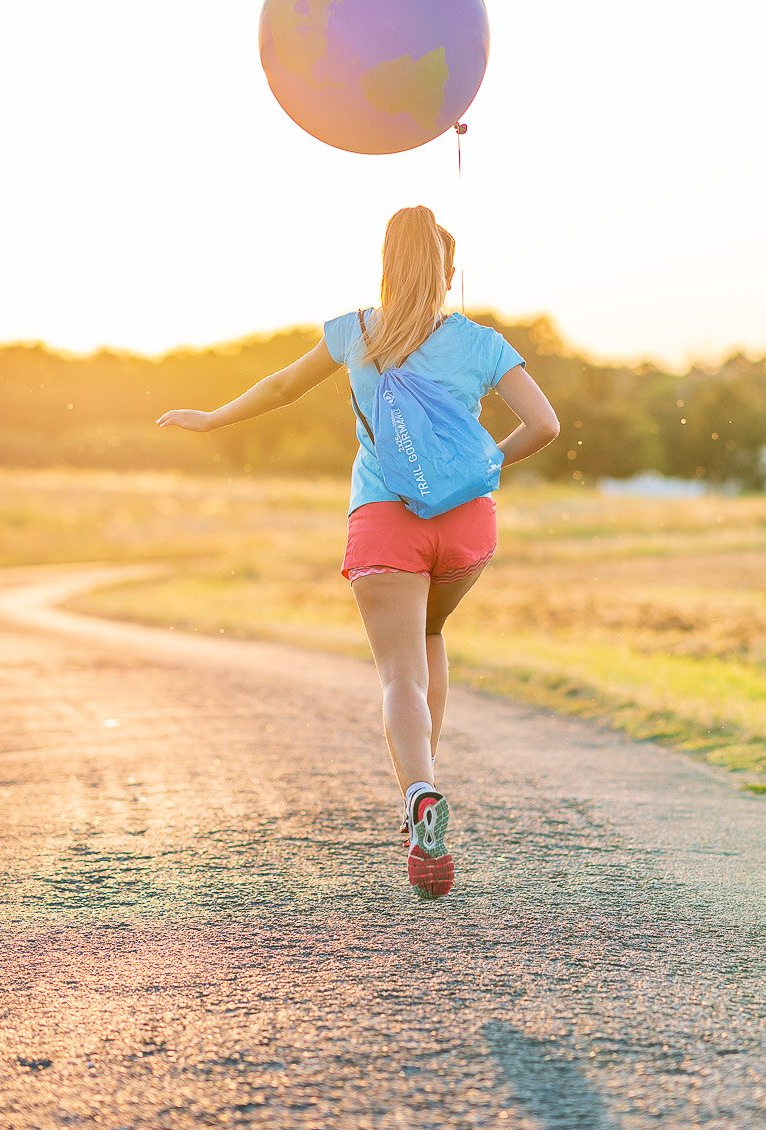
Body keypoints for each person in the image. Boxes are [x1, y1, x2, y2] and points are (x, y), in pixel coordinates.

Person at [157, 205, 560, 895]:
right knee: (432, 629)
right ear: (447, 271)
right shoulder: (483, 342)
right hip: (466, 526)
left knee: (398, 673)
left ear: (386, 265)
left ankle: (421, 794)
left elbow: (283, 386)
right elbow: (545, 424)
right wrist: (483, 463)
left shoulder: (355, 332)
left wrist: (213, 418)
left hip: (383, 521)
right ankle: (426, 780)